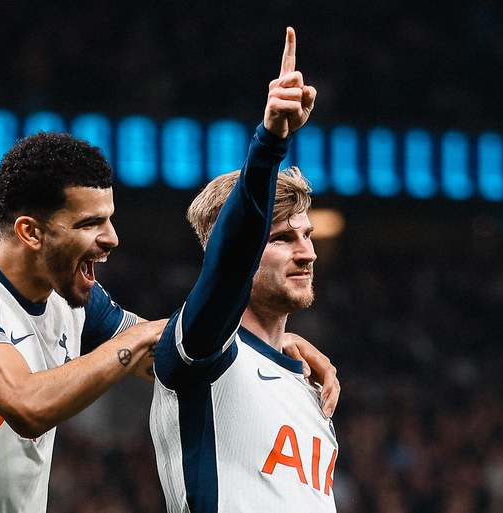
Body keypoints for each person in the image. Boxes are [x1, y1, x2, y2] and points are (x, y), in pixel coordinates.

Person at [0, 34, 338, 509]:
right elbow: (26, 405)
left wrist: (269, 342)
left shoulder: (76, 304)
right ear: (31, 231)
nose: (112, 239)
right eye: (90, 223)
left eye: (109, 218)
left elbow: (181, 350)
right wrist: (127, 343)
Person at [150, 27, 339, 512]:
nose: (307, 252)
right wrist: (271, 142)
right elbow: (231, 262)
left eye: (307, 236)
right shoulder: (203, 349)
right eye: (281, 238)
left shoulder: (311, 387)